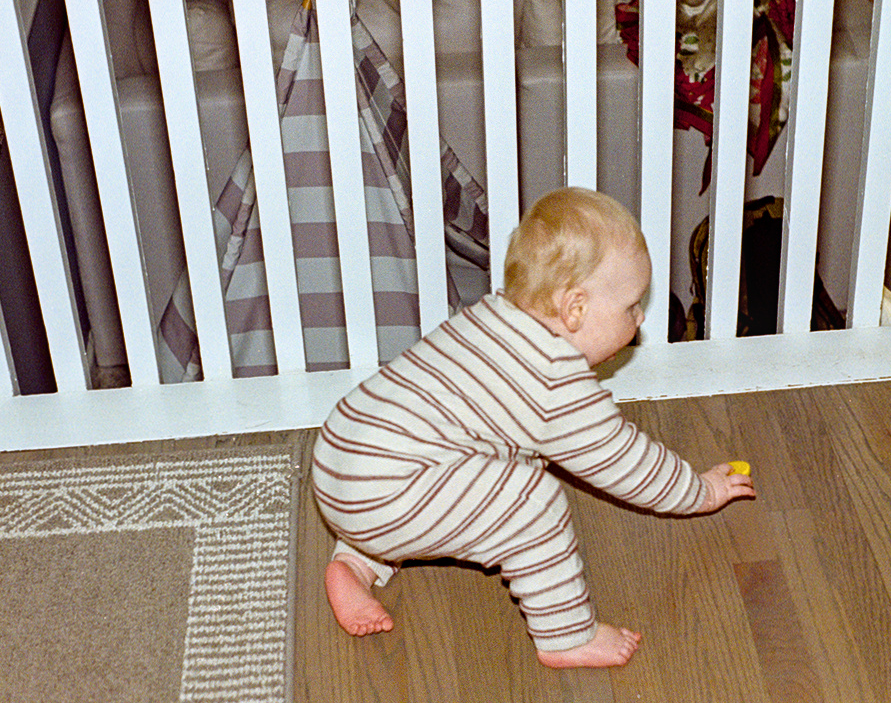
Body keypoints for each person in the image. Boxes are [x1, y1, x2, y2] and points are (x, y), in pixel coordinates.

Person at [311, 186, 755, 669]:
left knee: (462, 461)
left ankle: (356, 561)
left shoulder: (489, 318)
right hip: (384, 495)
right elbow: (627, 462)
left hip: (341, 458)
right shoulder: (553, 380)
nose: (640, 316)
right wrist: (701, 491)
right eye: (630, 305)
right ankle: (565, 635)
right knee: (530, 498)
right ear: (575, 309)